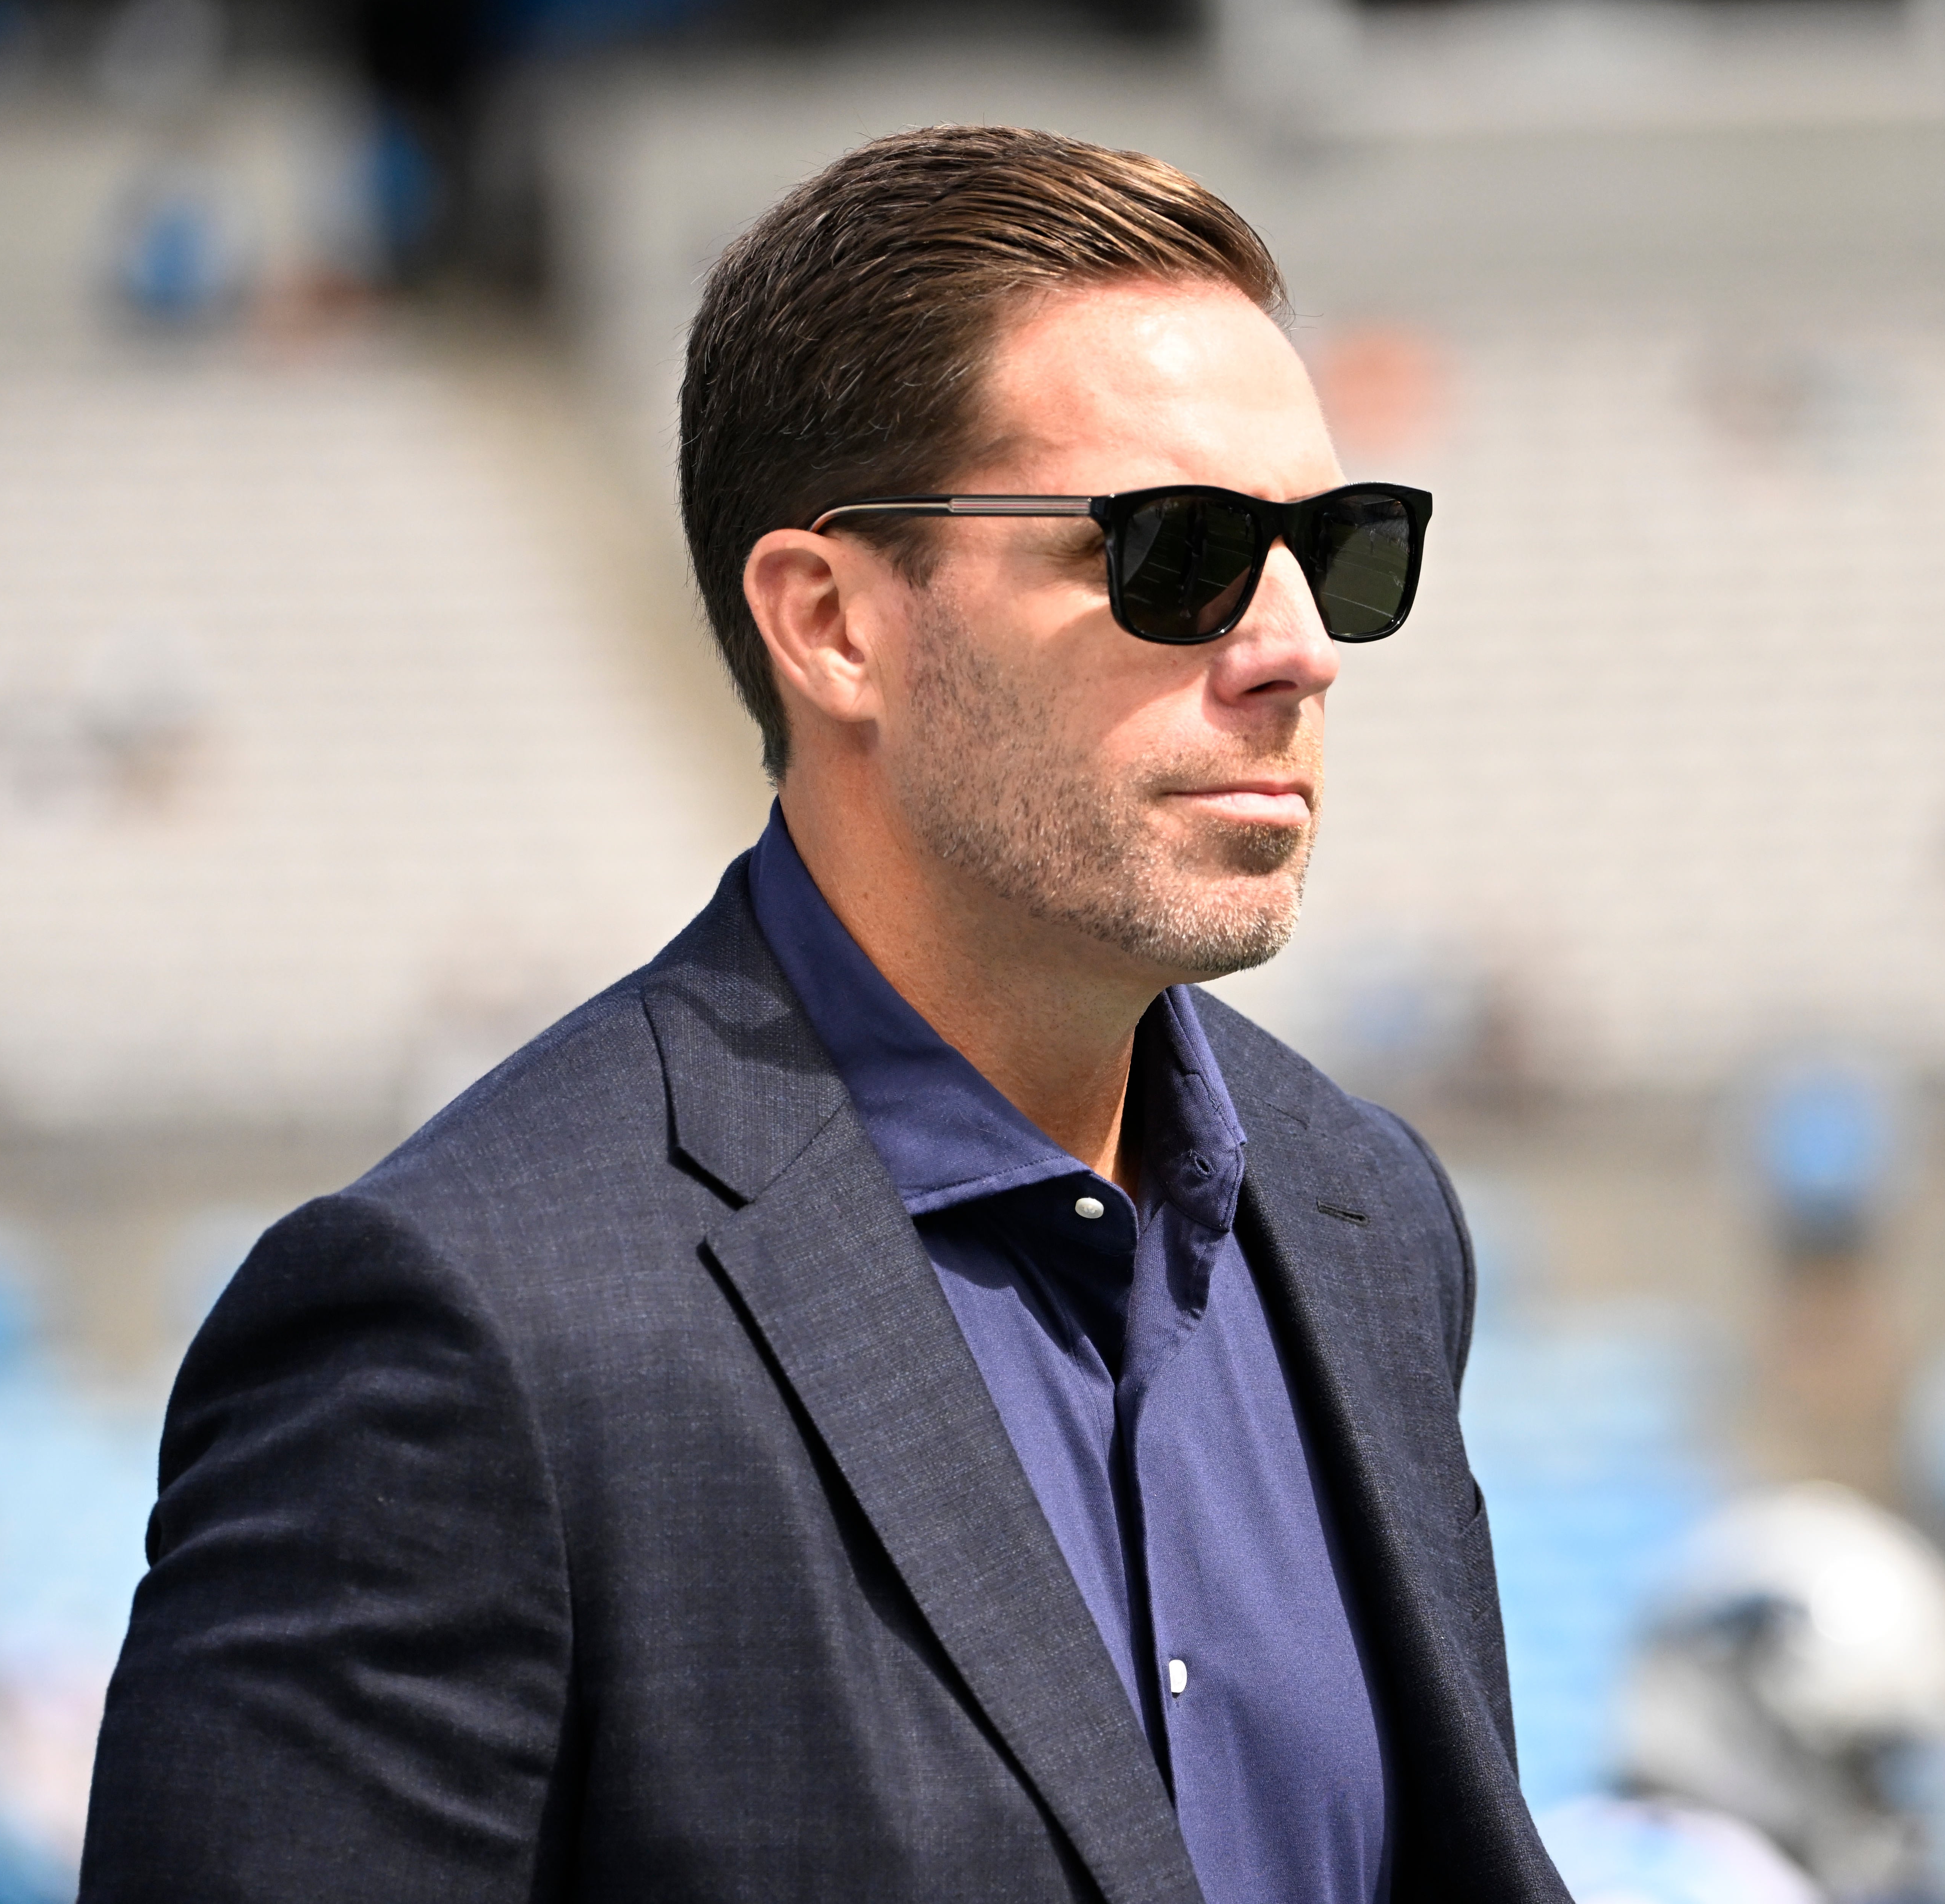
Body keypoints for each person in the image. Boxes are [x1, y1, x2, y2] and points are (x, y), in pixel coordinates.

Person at [81, 127, 1567, 1904]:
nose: (1297, 645)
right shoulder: (470, 1335)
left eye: (1339, 548)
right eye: (1178, 554)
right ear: (832, 622)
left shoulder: (1367, 1219)